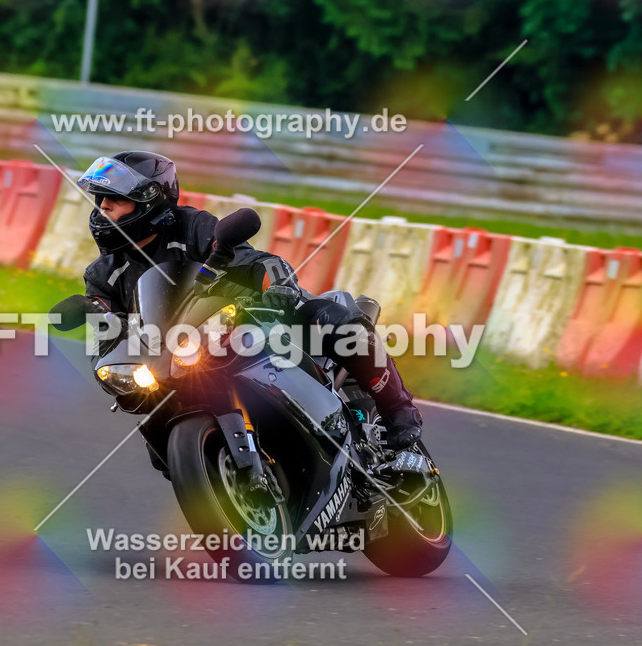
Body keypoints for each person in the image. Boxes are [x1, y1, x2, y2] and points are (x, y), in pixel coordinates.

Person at [75, 151, 423, 452]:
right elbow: (104, 340)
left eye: (114, 199)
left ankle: (398, 409)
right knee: (156, 431)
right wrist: (113, 367)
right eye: (99, 199)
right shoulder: (102, 275)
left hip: (246, 326)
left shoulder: (193, 227)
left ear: (149, 201)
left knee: (338, 325)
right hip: (176, 361)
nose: (102, 207)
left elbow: (256, 262)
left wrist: (280, 289)